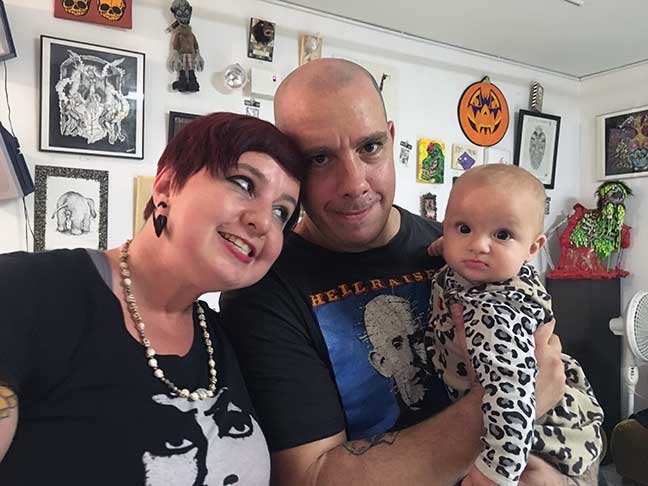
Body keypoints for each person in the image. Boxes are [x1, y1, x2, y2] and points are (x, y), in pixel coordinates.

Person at [219, 58, 594, 485]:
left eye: (369, 147)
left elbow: (555, 375)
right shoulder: (263, 290)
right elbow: (312, 478)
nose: (354, 183)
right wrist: (511, 403)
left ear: (391, 139)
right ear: (291, 168)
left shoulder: (461, 251)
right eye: (319, 158)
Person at [0, 113, 305, 485]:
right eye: (244, 183)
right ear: (166, 187)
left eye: (281, 212)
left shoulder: (231, 337)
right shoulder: (23, 291)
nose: (264, 222)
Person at [426, 164, 604, 486]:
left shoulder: (495, 312)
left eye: (502, 235)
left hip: (539, 432)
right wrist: (446, 245)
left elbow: (512, 395)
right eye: (464, 228)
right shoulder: (478, 268)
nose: (478, 245)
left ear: (532, 248)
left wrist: (496, 471)